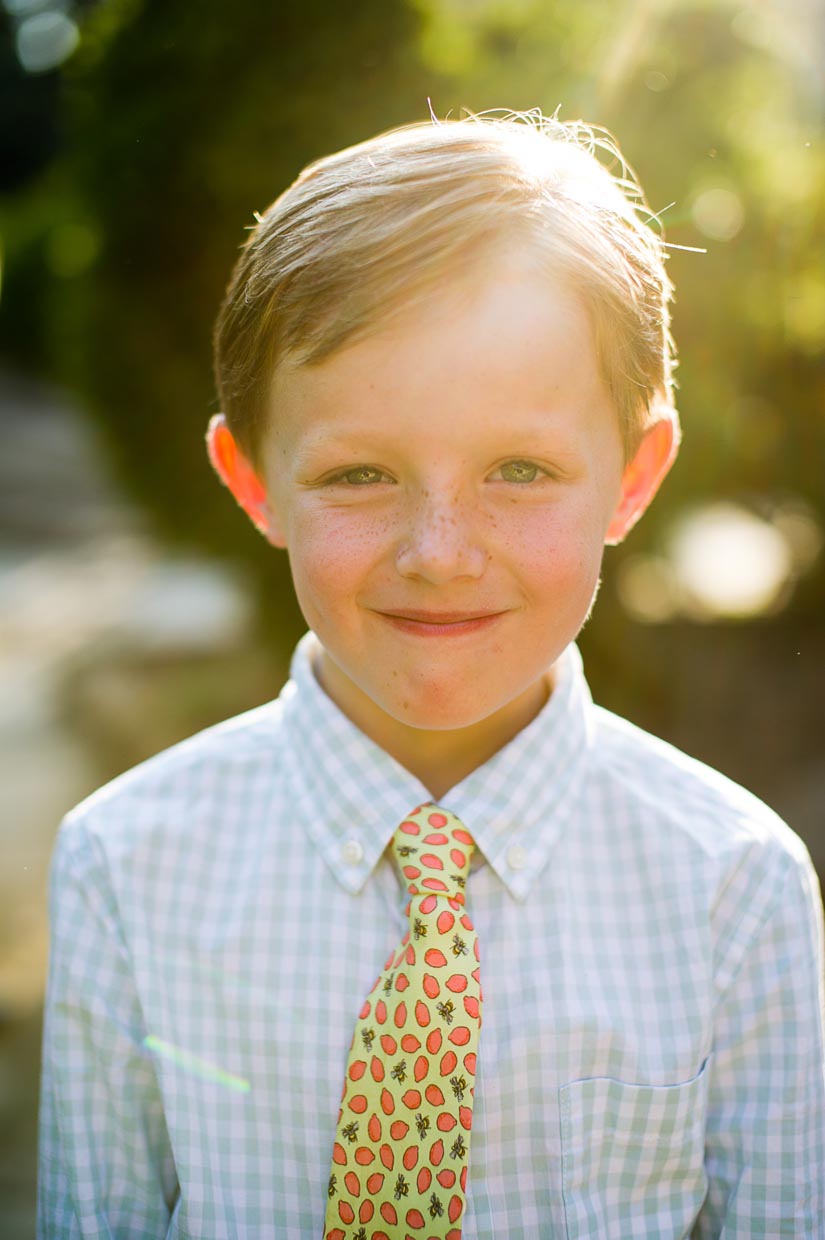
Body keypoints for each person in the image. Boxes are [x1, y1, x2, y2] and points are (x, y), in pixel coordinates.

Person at [38, 109, 824, 1238]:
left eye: (520, 468)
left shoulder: (734, 886)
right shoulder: (124, 862)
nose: (440, 551)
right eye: (360, 473)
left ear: (633, 477)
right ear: (254, 480)